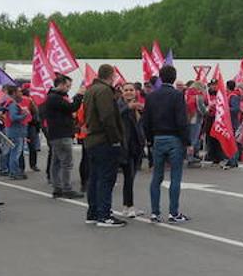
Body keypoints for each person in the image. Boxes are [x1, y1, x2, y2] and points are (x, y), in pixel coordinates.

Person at [143, 64, 192, 223]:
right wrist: (187, 141)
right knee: (175, 176)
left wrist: (150, 139)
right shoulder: (177, 95)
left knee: (157, 176)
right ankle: (173, 212)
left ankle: (155, 213)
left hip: (158, 137)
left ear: (160, 77)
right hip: (174, 138)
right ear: (174, 77)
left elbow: (146, 121)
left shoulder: (151, 96)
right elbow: (181, 120)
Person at [82, 64, 127, 227]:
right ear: (111, 75)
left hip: (92, 139)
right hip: (103, 140)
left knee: (95, 177)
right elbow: (107, 117)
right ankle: (104, 214)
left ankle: (93, 212)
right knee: (106, 178)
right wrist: (115, 138)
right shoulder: (104, 91)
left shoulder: (91, 90)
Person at [39, 74, 83, 199]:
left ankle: (58, 188)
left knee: (57, 162)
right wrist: (79, 95)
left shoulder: (54, 97)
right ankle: (66, 188)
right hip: (61, 133)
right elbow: (72, 107)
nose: (69, 89)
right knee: (66, 163)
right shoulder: (55, 98)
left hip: (56, 133)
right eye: (68, 86)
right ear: (61, 85)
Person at [117, 82, 146, 218]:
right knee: (128, 176)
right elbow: (116, 116)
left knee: (132, 177)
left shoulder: (137, 105)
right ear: (122, 92)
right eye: (126, 90)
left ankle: (126, 205)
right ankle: (130, 206)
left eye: (131, 90)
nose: (129, 92)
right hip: (124, 145)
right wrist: (129, 107)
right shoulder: (119, 104)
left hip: (136, 145)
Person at [0, 85, 29, 180]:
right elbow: (13, 117)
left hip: (14, 131)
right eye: (19, 91)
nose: (21, 93)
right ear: (14, 93)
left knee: (13, 152)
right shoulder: (13, 104)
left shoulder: (10, 103)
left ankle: (13, 171)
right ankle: (14, 172)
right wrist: (24, 115)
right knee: (15, 153)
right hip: (15, 131)